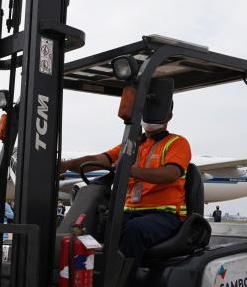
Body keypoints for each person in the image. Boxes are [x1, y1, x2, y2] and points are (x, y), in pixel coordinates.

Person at [59, 78, 190, 273]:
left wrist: (129, 170)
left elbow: (170, 173)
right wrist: (66, 165)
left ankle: (122, 286)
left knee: (134, 230)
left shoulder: (176, 143)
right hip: (131, 213)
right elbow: (99, 159)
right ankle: (85, 277)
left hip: (165, 216)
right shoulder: (131, 145)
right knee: (95, 225)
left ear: (169, 116)